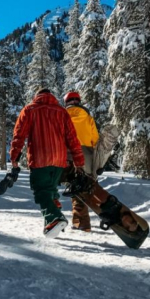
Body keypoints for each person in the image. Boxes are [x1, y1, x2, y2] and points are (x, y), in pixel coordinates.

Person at [10, 88, 85, 238]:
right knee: (50, 190)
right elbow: (72, 139)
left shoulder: (30, 109)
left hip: (40, 158)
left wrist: (14, 157)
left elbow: (19, 135)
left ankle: (55, 218)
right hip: (59, 160)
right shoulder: (62, 112)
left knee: (41, 191)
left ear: (37, 96)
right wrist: (79, 161)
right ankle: (52, 223)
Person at [63, 92, 99, 232]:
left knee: (75, 187)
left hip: (68, 153)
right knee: (85, 187)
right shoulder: (88, 117)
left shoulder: (62, 116)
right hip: (86, 155)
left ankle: (81, 223)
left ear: (66, 102)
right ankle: (84, 222)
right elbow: (95, 139)